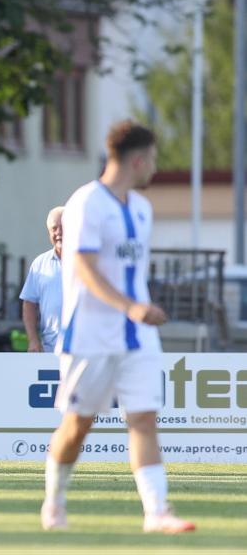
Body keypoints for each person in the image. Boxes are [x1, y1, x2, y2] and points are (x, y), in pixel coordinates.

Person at [40, 120, 195, 533]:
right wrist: (130, 307)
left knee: (143, 418)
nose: (156, 169)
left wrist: (138, 310)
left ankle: (157, 512)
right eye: (154, 160)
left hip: (138, 336)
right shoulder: (86, 203)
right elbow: (84, 269)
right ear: (139, 159)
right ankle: (54, 501)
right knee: (78, 425)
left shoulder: (142, 208)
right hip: (90, 334)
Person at [19, 207, 64, 353]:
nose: (58, 233)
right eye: (54, 228)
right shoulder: (40, 264)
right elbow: (29, 304)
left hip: (84, 350)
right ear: (49, 233)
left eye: (63, 227)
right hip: (50, 348)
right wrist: (33, 340)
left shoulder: (88, 261)